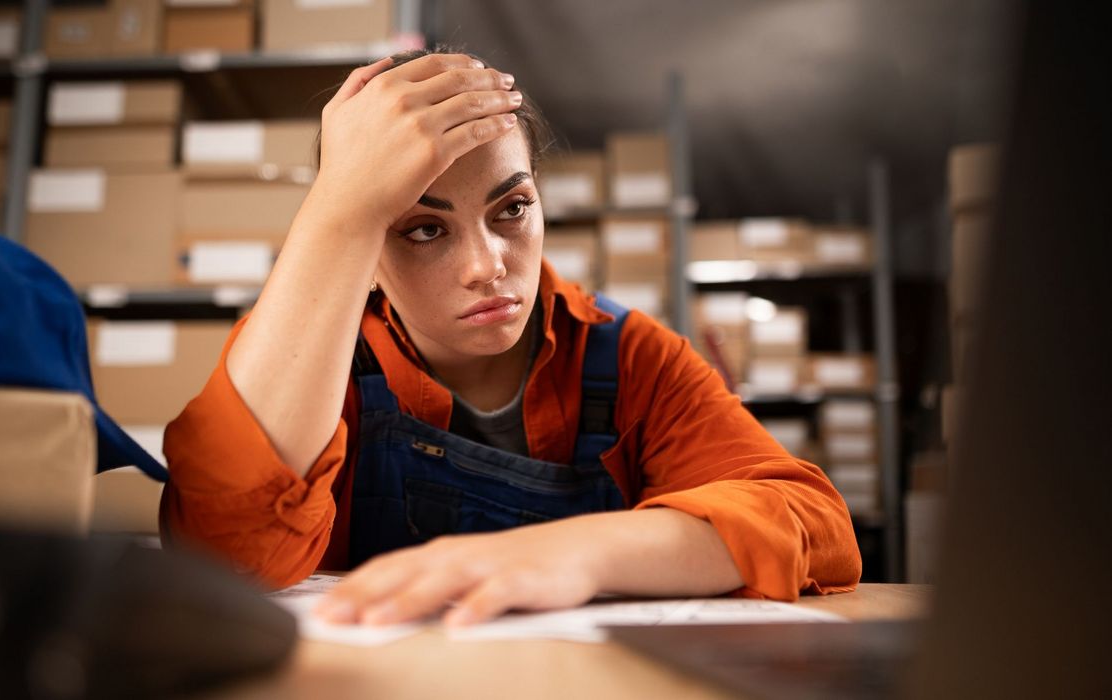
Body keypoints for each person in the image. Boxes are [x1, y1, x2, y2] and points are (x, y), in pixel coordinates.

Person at [160, 48, 861, 627]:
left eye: (512, 208)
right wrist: (338, 209)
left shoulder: (632, 358)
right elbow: (226, 553)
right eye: (424, 229)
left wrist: (579, 552)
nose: (487, 265)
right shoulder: (316, 358)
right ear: (366, 246)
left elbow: (816, 526)